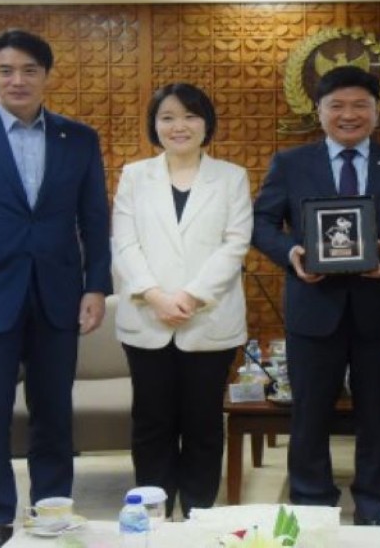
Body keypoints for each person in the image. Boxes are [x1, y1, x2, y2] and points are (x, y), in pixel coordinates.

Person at [0, 29, 113, 548]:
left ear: (47, 76)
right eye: (5, 70)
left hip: (59, 295)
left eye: (30, 70)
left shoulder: (79, 138)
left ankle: (51, 512)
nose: (18, 80)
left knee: (54, 413)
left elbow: (95, 220)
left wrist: (96, 286)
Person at [251, 66, 380, 525]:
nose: (348, 115)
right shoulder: (290, 163)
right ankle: (312, 507)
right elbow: (261, 223)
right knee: (309, 414)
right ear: (319, 111)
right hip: (313, 310)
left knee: (377, 415)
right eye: (337, 105)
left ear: (377, 112)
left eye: (360, 106)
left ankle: (375, 510)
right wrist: (291, 252)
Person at [112, 83, 253, 519]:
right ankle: (153, 516)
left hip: (209, 320)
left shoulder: (231, 176)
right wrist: (155, 295)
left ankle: (198, 516)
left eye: (190, 116)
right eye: (168, 117)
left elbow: (235, 245)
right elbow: (123, 242)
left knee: (204, 425)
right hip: (146, 318)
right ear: (154, 125)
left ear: (206, 123)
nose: (179, 126)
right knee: (151, 424)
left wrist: (190, 296)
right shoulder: (135, 175)